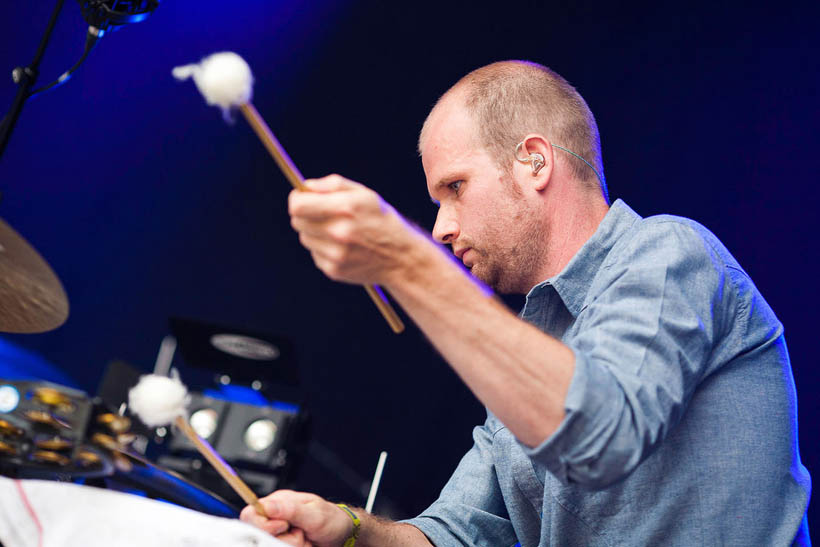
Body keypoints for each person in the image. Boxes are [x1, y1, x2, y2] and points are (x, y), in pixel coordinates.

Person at [240, 61, 811, 546]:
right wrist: (350, 529)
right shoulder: (531, 350)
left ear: (534, 162)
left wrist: (406, 261)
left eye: (455, 188)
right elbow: (454, 533)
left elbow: (600, 435)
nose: (439, 227)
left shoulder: (671, 252)